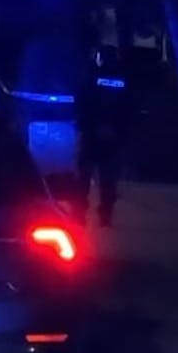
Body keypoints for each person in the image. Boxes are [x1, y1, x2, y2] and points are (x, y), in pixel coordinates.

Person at [75, 44, 132, 227]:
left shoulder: (90, 77)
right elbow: (128, 108)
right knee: (108, 179)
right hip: (112, 136)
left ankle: (79, 213)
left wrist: (85, 125)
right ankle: (105, 215)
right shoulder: (123, 80)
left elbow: (82, 102)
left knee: (84, 177)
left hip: (92, 134)